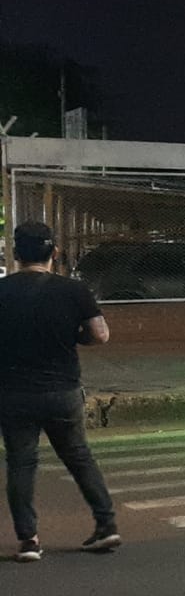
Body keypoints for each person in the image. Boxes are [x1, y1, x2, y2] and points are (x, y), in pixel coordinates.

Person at [0, 223, 119, 562]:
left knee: (21, 463)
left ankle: (29, 541)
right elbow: (101, 335)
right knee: (79, 456)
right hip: (62, 391)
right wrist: (74, 336)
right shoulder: (74, 290)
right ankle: (106, 524)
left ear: (16, 253)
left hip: (13, 394)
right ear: (54, 253)